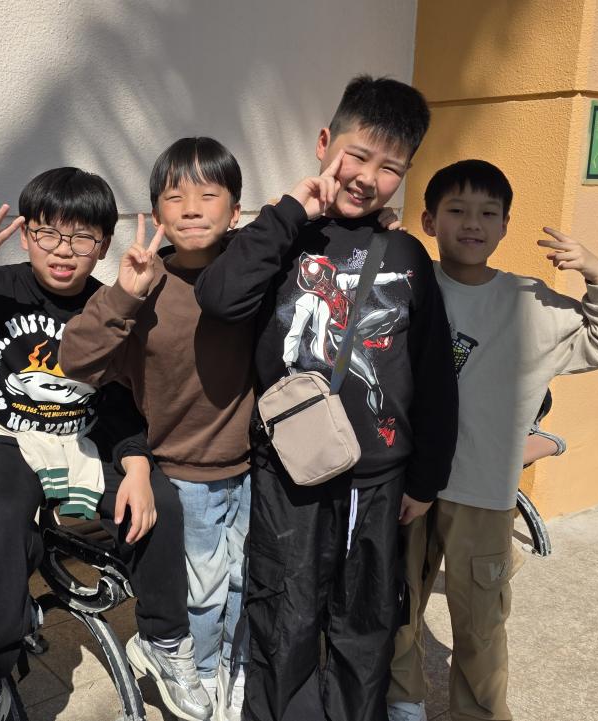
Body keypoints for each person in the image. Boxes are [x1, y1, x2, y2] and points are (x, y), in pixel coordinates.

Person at [0, 167, 210, 721]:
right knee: (2, 512)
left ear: (103, 244)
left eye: (82, 238)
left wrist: (136, 469)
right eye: (47, 233)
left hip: (78, 438)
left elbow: (119, 403)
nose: (63, 250)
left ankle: (164, 641)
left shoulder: (111, 305)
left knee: (159, 499)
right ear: (26, 233)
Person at [194, 75, 459, 721]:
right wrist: (290, 211)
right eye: (356, 155)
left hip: (379, 480)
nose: (367, 177)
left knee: (365, 625)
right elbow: (219, 298)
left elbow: (434, 374)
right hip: (291, 473)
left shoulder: (407, 254)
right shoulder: (280, 236)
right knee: (281, 618)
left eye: (390, 167)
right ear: (323, 143)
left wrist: (425, 478)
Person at [387, 159, 598, 721]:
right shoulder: (406, 286)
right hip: (407, 483)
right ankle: (402, 701)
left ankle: (480, 712)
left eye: (487, 213)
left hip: (483, 491)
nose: (472, 223)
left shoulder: (531, 302)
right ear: (429, 221)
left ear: (504, 226)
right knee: (397, 605)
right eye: (456, 210)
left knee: (481, 622)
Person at [59, 137, 254, 720]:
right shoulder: (146, 285)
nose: (191, 208)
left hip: (253, 466)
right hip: (182, 470)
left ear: (235, 211)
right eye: (175, 197)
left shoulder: (253, 274)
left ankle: (231, 669)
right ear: (156, 213)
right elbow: (76, 360)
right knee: (201, 590)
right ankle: (197, 672)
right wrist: (124, 293)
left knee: (245, 580)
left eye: (208, 195)